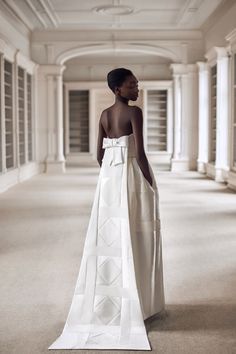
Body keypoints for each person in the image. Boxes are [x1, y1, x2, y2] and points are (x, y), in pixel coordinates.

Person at [48, 68, 165, 351]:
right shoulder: (134, 112)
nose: (137, 89)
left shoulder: (103, 115)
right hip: (132, 174)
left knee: (109, 233)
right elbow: (141, 153)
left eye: (137, 84)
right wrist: (150, 184)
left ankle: (111, 297)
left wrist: (110, 174)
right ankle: (140, 300)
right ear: (118, 89)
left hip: (109, 180)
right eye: (131, 85)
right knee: (138, 231)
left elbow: (99, 155)